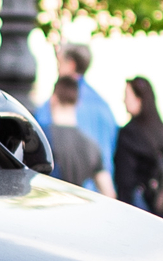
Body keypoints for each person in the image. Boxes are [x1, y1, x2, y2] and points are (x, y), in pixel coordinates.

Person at [32, 41, 116, 174]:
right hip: (98, 189)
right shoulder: (104, 107)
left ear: (70, 65)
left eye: (59, 64)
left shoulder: (55, 103)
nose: (57, 69)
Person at [112, 76, 163, 220]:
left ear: (139, 99)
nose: (123, 100)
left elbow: (125, 179)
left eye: (127, 96)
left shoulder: (129, 134)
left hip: (139, 208)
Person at [44, 74, 112, 195]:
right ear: (78, 102)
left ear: (53, 99)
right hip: (75, 209)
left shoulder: (42, 137)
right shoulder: (91, 145)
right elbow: (109, 192)